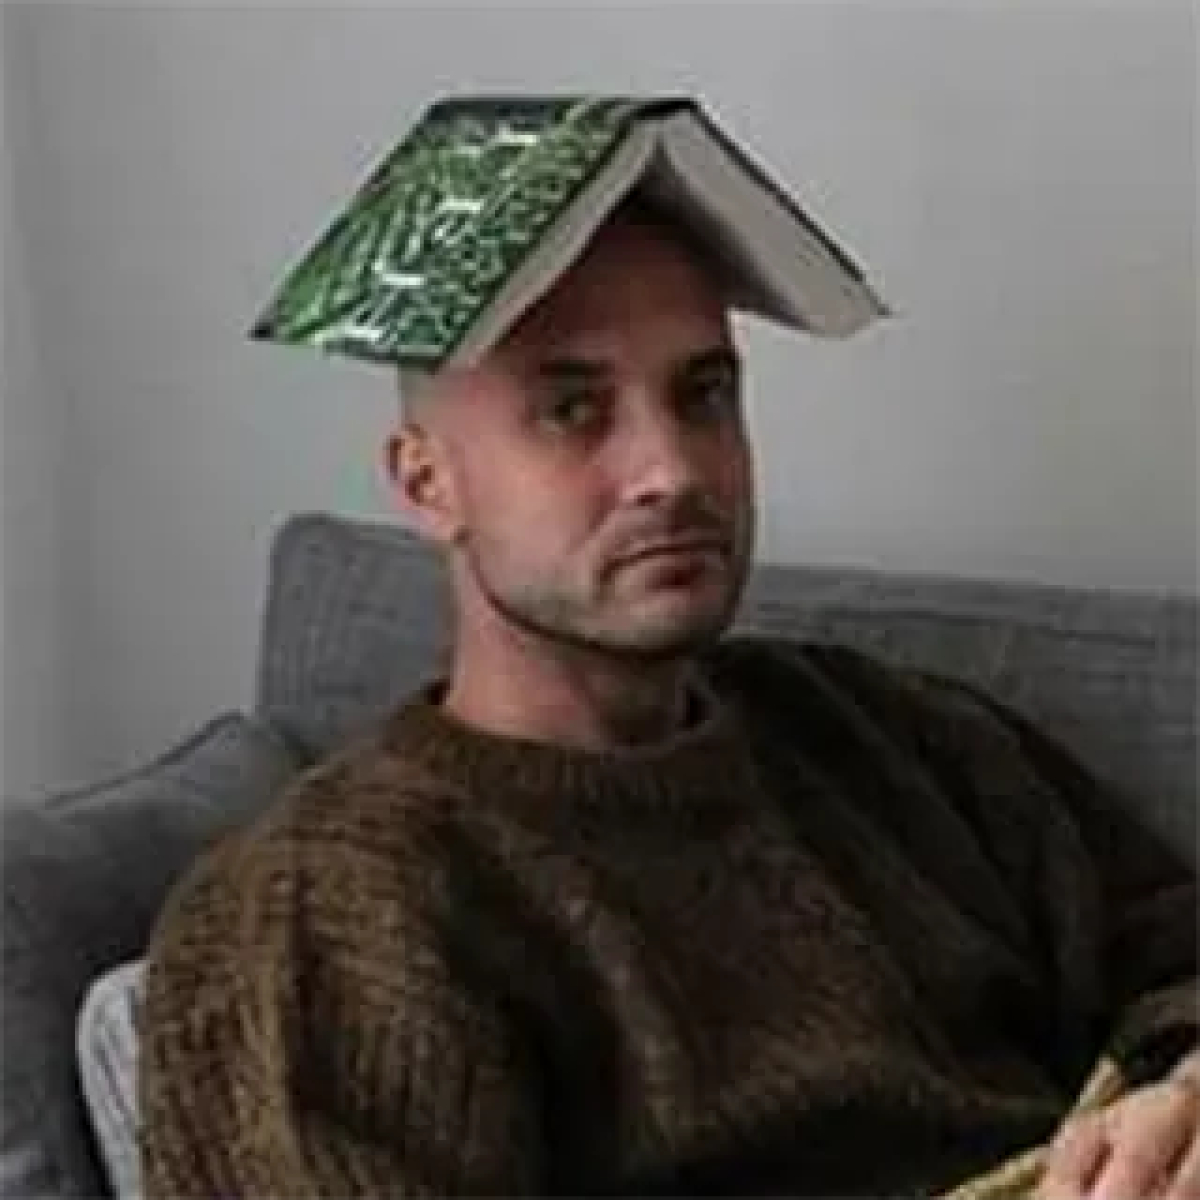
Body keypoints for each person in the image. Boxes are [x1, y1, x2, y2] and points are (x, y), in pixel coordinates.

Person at [137, 198, 1198, 1199]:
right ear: (427, 483)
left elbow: (1174, 949)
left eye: (704, 395)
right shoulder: (330, 909)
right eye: (573, 409)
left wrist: (1186, 1096)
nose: (672, 471)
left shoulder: (882, 731)